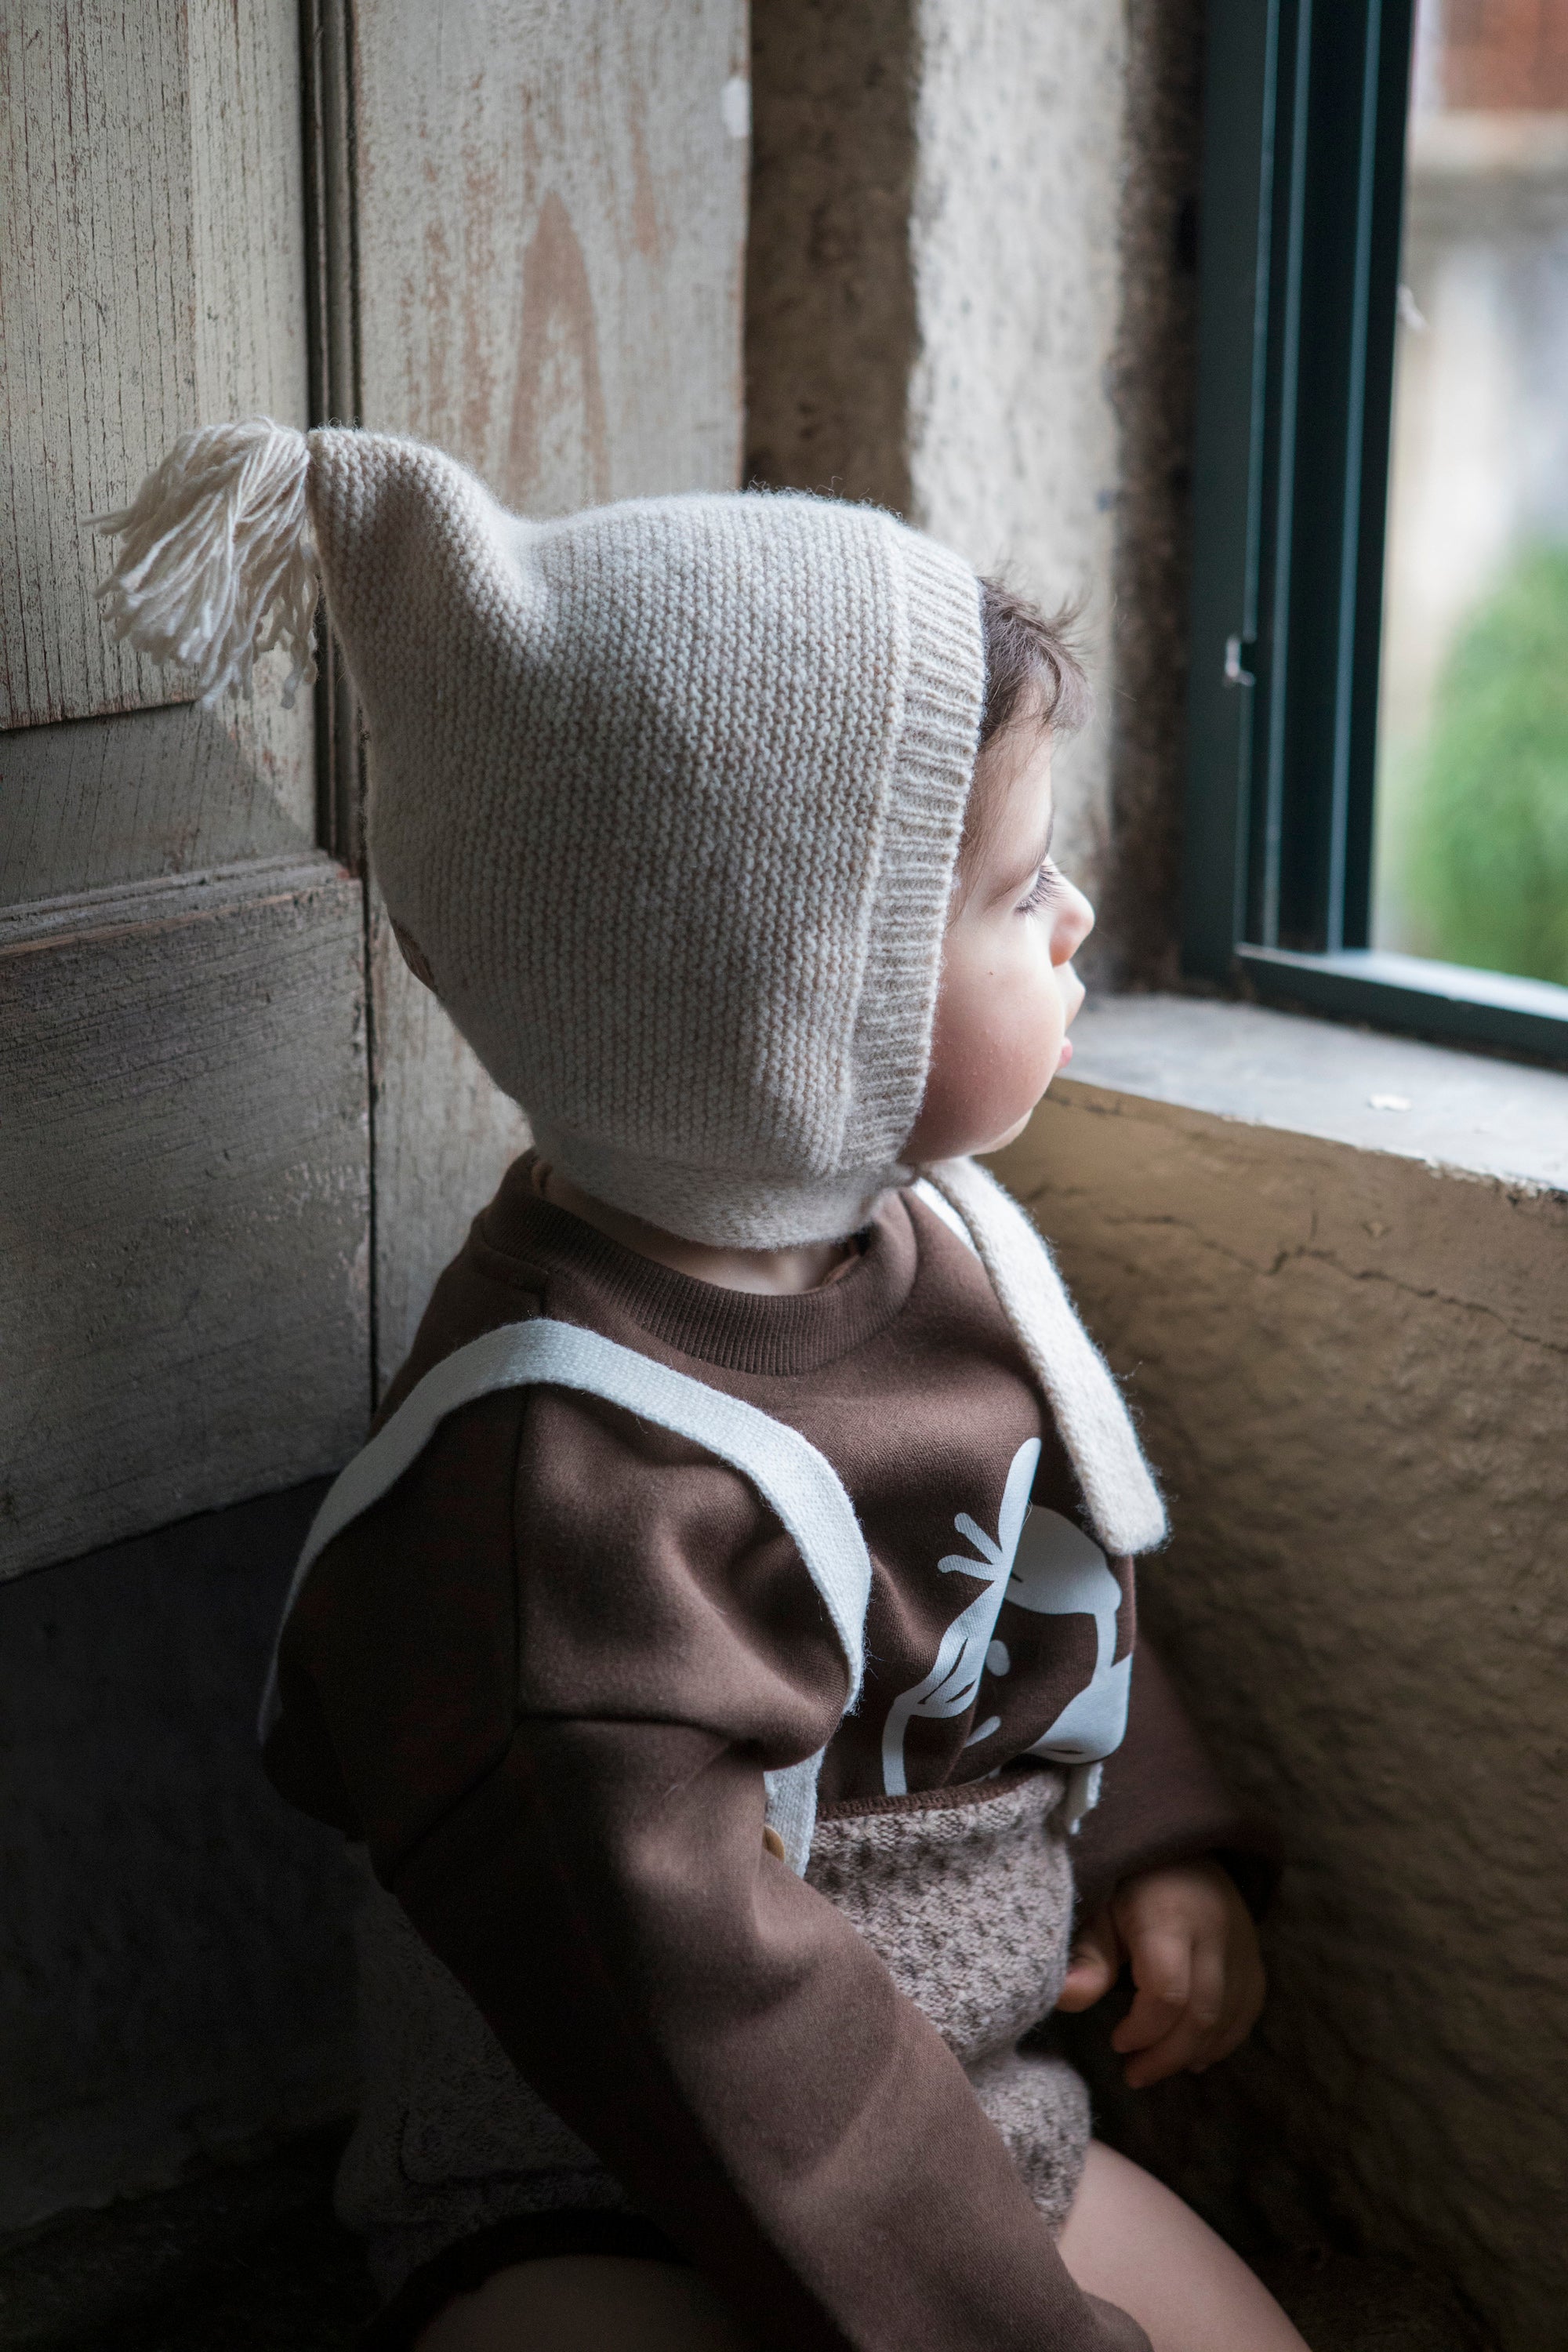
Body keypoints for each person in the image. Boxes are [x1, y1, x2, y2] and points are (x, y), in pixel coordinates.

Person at [97, 420, 1309, 2352]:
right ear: (783, 996)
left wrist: (1160, 1837)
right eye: (1009, 893)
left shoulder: (940, 1250)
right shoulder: (560, 1501)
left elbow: (1041, 1570)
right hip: (603, 2175)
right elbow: (711, 2033)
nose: (1072, 916)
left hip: (978, 2122)